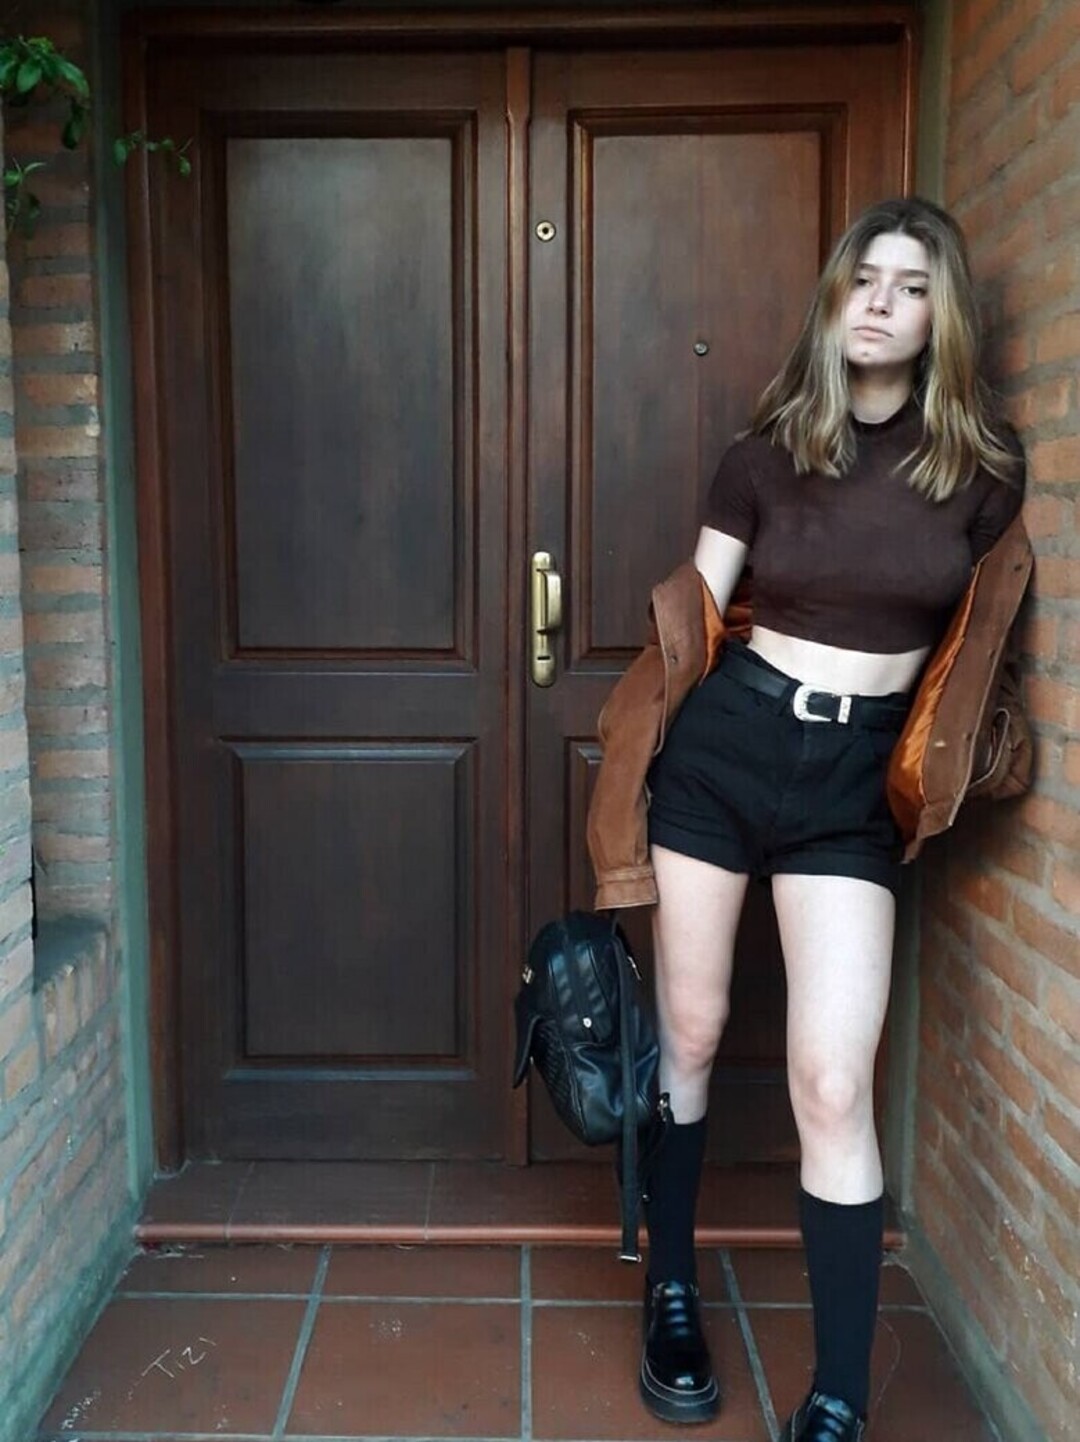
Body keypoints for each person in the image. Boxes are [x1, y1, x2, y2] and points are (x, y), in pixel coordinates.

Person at [617, 197, 1026, 1440]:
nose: (881, 302)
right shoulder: (763, 456)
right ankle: (671, 1287)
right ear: (835, 297)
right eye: (864, 278)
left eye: (912, 285)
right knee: (690, 1031)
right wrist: (625, 771)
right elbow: (693, 627)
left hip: (853, 784)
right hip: (726, 752)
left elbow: (981, 650)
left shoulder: (981, 474)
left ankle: (839, 1393)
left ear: (942, 316)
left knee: (834, 1080)